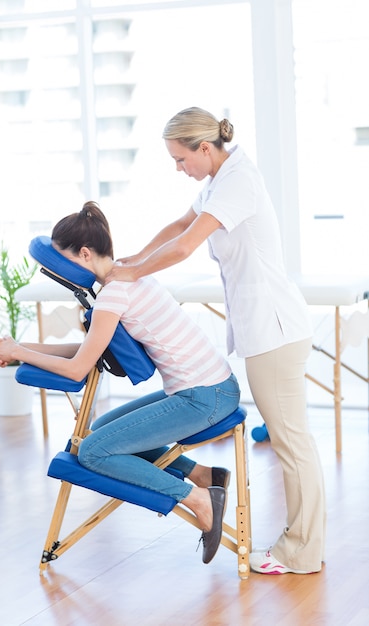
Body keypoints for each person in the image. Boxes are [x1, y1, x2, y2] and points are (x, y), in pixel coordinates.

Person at [106, 107, 326, 575]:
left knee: (292, 444)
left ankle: (301, 552)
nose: (179, 169)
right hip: (264, 330)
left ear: (204, 148)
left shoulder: (238, 181)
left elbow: (186, 247)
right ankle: (301, 545)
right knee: (293, 442)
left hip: (275, 331)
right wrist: (135, 256)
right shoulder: (216, 181)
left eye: (181, 159)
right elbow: (178, 228)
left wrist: (132, 273)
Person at [0, 200, 241, 565]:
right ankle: (203, 474)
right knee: (101, 429)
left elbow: (77, 369)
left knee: (93, 451)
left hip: (203, 398)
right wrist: (18, 349)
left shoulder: (113, 293)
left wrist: (19, 352)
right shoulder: (125, 273)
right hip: (212, 388)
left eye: (65, 261)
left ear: (85, 254)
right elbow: (90, 349)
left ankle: (195, 498)